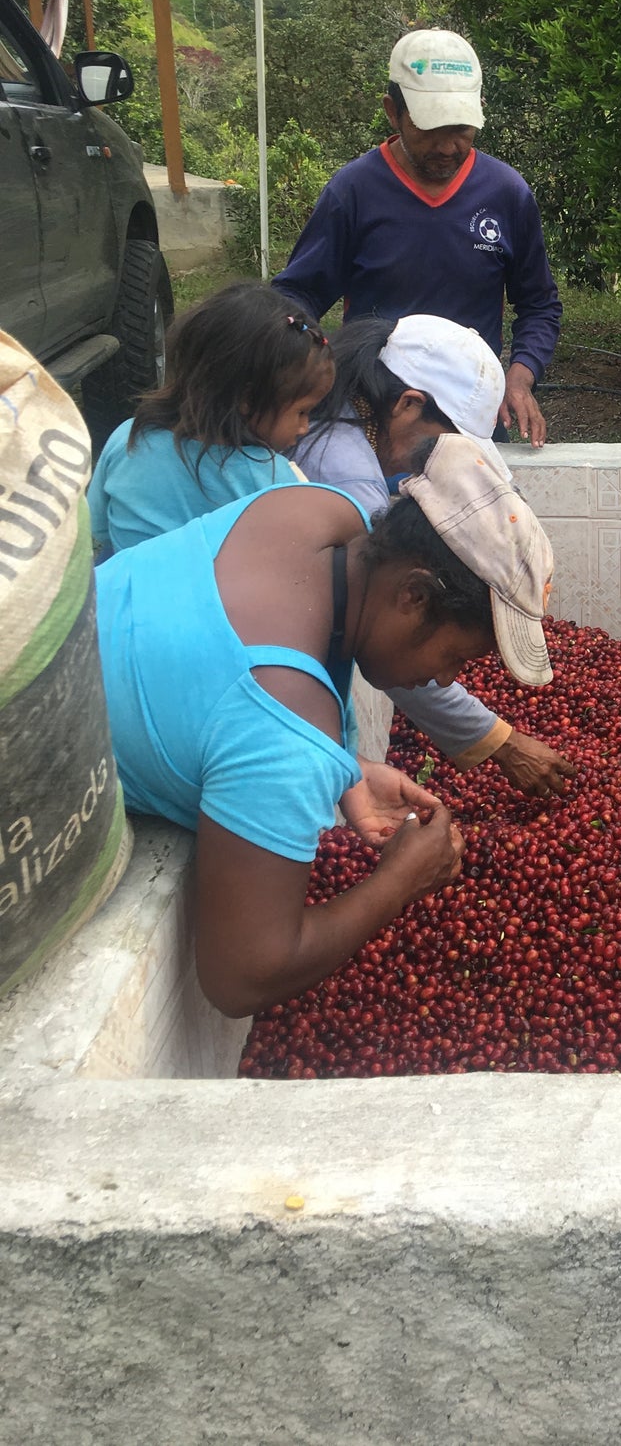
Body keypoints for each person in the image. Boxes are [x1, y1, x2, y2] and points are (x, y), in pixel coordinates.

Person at [95, 434, 556, 1016]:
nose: (446, 680)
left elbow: (223, 689)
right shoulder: (283, 732)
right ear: (413, 595)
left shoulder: (313, 509)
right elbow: (240, 977)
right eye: (456, 657)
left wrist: (349, 768)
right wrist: (398, 884)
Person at [295, 314, 576, 798]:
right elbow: (386, 635)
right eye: (438, 444)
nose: (437, 463)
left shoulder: (339, 423)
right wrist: (498, 741)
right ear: (407, 404)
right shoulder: (349, 489)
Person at [273, 28, 562, 447]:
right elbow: (297, 297)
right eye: (429, 128)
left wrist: (520, 377)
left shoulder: (506, 194)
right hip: (369, 417)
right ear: (393, 112)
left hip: (469, 418)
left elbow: (539, 305)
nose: (447, 146)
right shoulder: (353, 191)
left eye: (461, 129)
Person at [88, 282, 334, 558]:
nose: (304, 427)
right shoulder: (271, 478)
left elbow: (97, 528)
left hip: (125, 595)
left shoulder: (127, 438)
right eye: (302, 412)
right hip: (216, 601)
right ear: (247, 399)